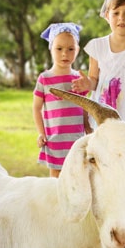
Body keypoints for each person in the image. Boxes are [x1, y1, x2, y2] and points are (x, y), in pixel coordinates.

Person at [32, 22, 90, 178]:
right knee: (55, 180)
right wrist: (41, 133)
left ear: (77, 50)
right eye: (59, 49)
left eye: (71, 49)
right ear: (51, 48)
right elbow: (37, 108)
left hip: (76, 139)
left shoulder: (78, 78)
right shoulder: (45, 79)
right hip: (55, 139)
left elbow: (85, 107)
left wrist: (89, 130)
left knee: (77, 177)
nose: (65, 54)